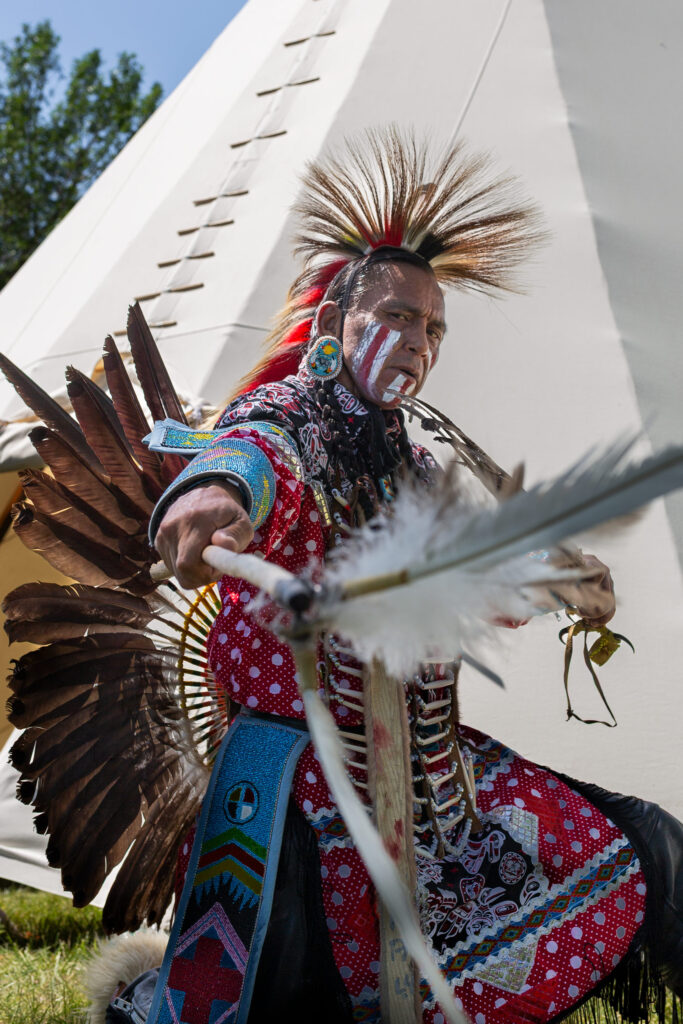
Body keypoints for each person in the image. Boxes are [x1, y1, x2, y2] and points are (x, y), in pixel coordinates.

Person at [142, 129, 682, 1024]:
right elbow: (251, 453)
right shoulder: (291, 416)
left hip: (430, 780)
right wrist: (211, 492)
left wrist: (557, 586)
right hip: (299, 786)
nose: (417, 342)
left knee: (636, 851)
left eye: (432, 328)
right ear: (332, 324)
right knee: (282, 996)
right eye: (395, 317)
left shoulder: (415, 463)